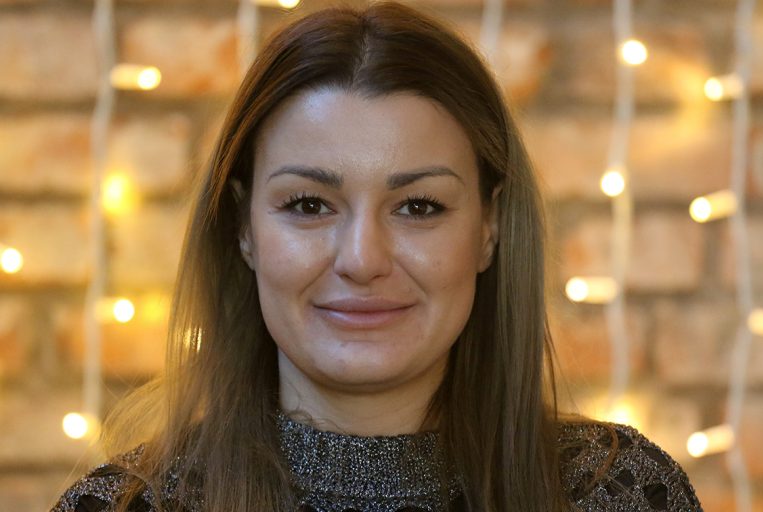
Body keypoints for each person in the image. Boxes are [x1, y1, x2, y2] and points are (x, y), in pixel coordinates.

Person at [52, 2, 703, 511]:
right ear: (244, 229)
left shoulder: (618, 494)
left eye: (418, 207)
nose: (362, 259)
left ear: (489, 228)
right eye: (309, 204)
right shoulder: (120, 507)